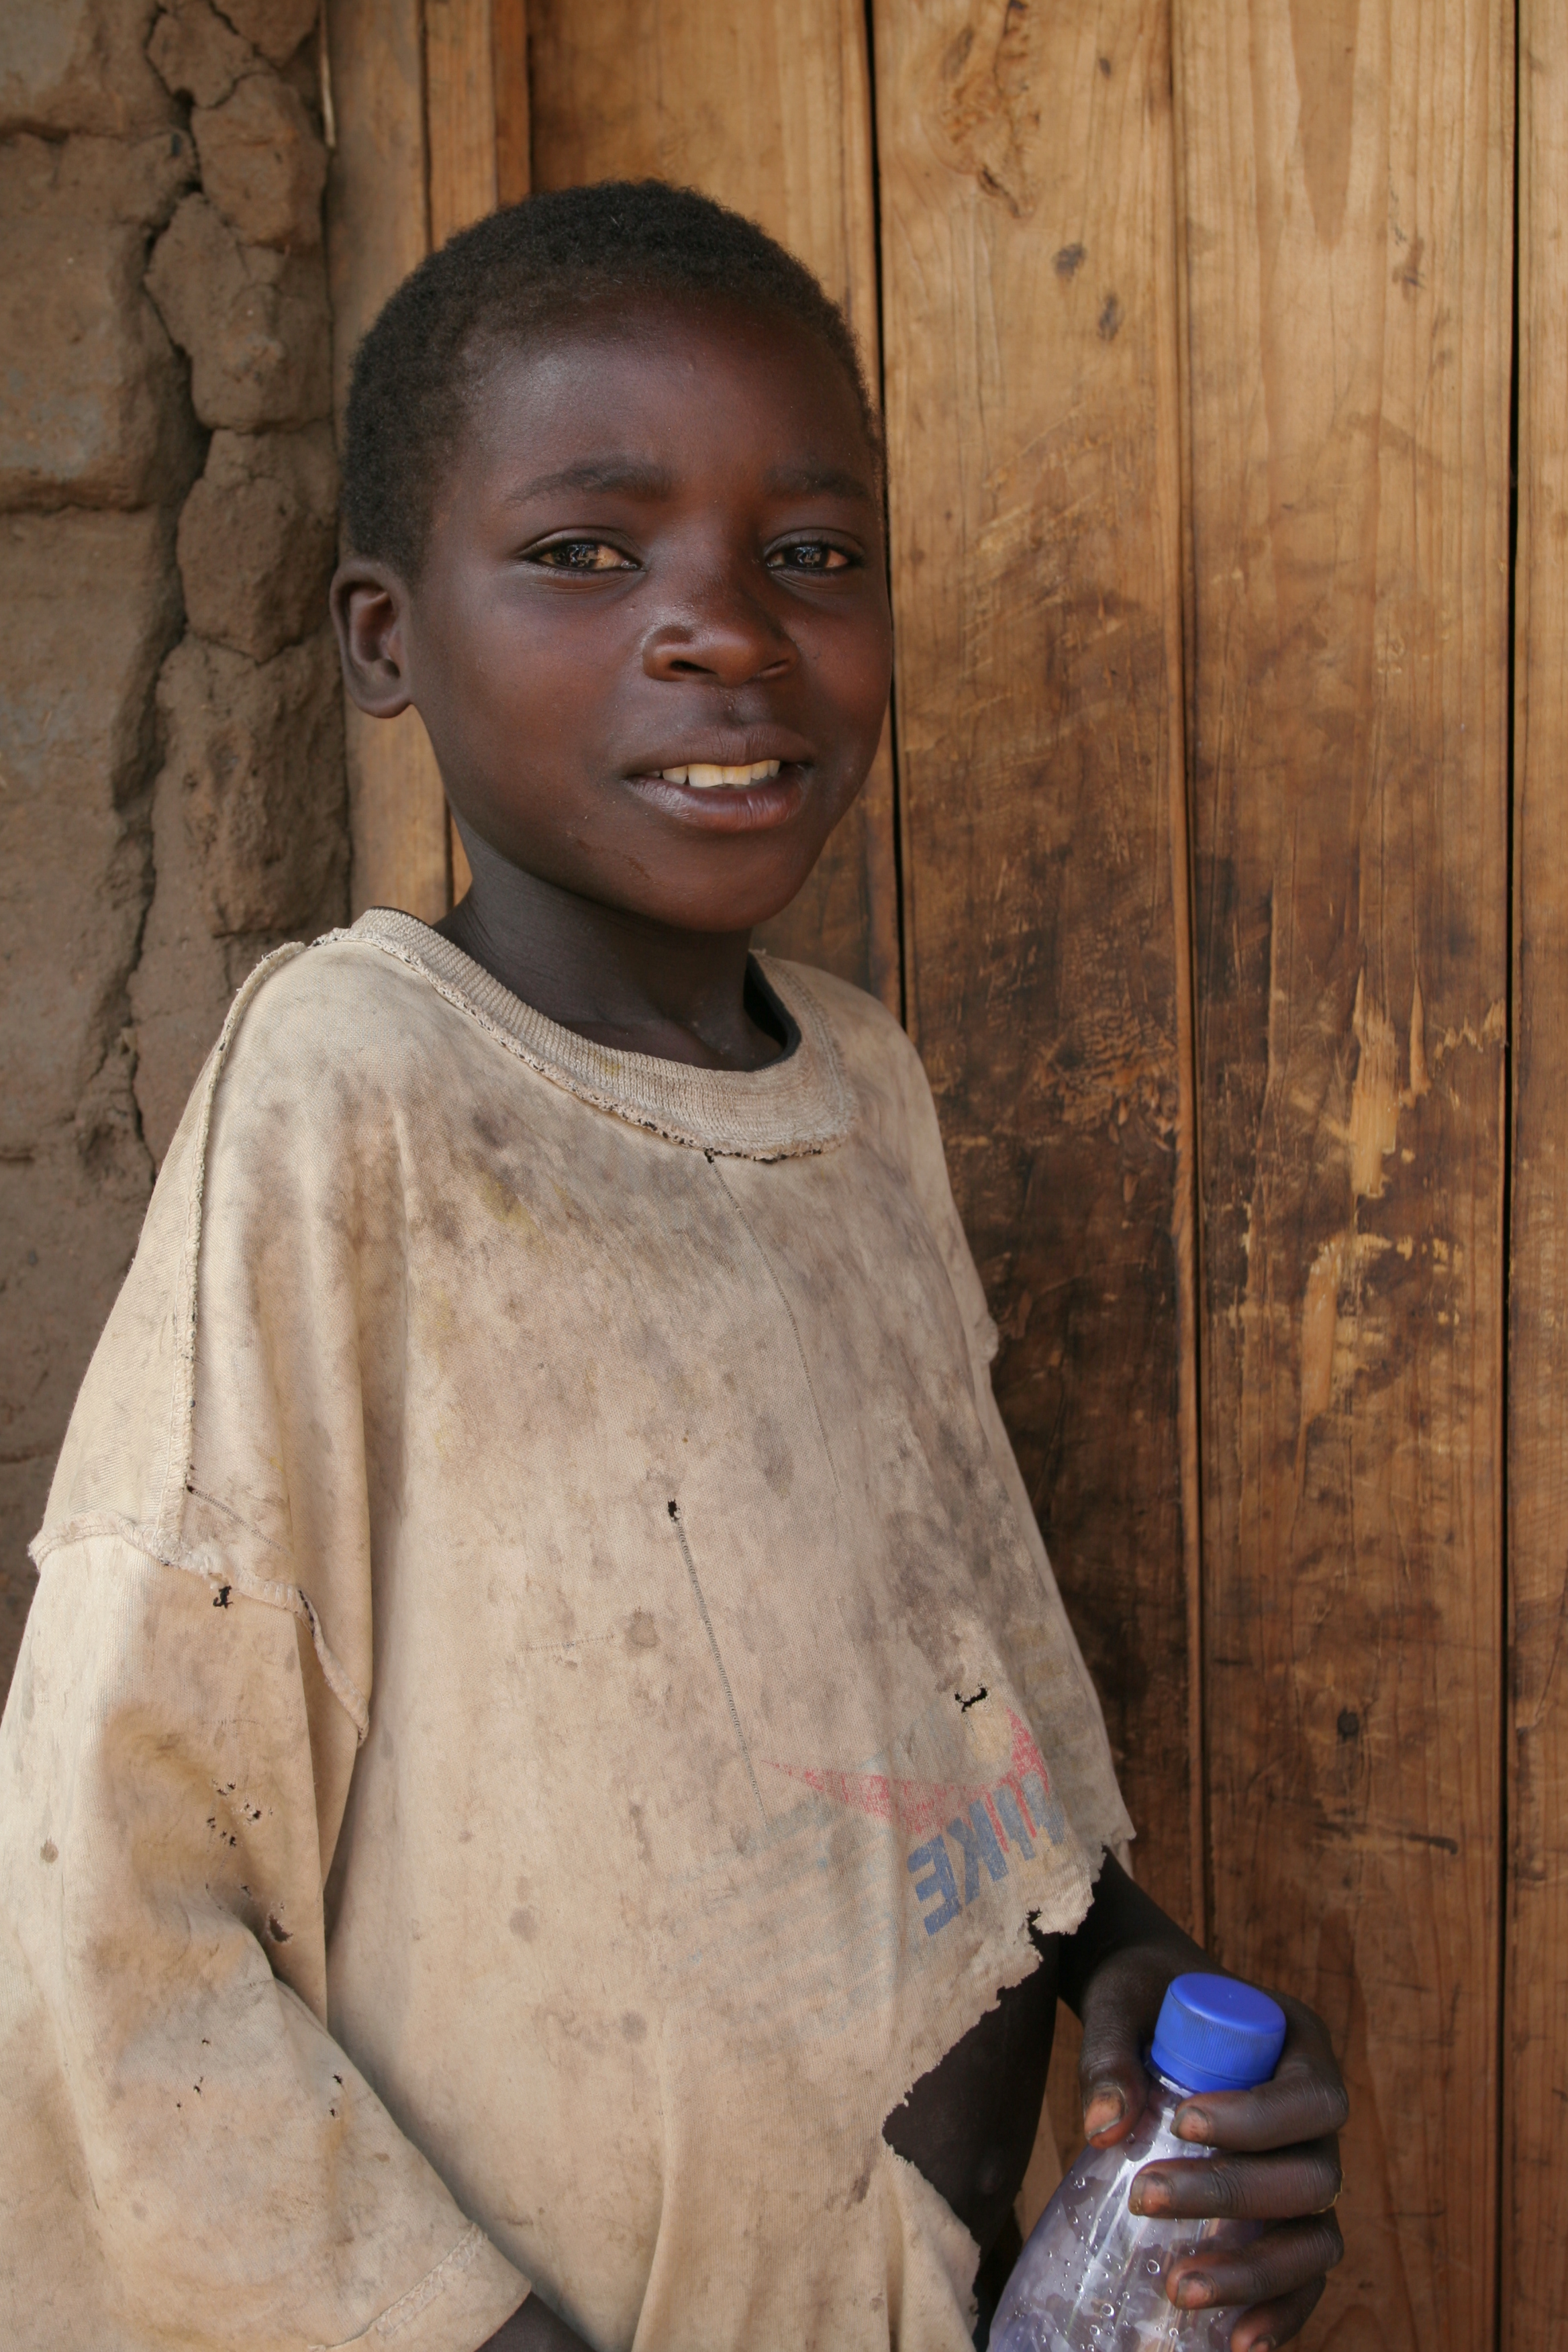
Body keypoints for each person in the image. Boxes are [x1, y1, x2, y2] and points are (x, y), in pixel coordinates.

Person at [0, 184, 1346, 2352]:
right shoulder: (355, 1099)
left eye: (810, 556)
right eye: (586, 552)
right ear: (382, 639)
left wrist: (1149, 2016)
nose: (726, 628)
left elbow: (977, 1720)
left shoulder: (866, 1100)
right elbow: (118, 1928)